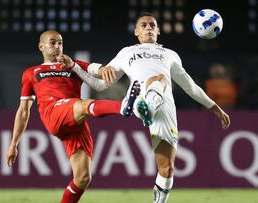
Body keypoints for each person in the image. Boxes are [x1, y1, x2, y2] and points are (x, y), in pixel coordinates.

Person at [88, 12, 231, 203]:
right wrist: (76, 67)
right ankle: (145, 106)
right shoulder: (126, 52)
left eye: (152, 25)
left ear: (158, 31)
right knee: (159, 78)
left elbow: (190, 86)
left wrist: (215, 108)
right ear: (136, 31)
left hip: (165, 108)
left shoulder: (170, 54)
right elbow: (100, 84)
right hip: (138, 96)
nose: (148, 28)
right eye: (144, 25)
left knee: (167, 168)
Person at [5, 30, 139, 203]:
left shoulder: (72, 65)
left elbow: (93, 69)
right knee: (83, 104)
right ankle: (124, 106)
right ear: (41, 46)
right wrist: (13, 143)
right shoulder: (32, 72)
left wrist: (104, 69)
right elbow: (24, 110)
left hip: (75, 121)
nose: (57, 46)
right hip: (54, 113)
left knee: (83, 178)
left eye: (60, 43)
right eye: (52, 42)